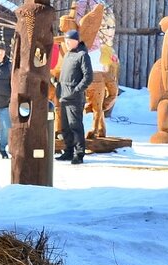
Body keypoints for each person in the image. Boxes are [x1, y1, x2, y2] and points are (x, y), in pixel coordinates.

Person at [56, 30, 94, 164]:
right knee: (65, 127)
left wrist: (76, 90)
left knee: (75, 126)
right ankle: (68, 151)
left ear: (76, 41)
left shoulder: (82, 55)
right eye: (65, 41)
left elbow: (88, 77)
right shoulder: (67, 54)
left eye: (69, 41)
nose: (66, 43)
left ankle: (79, 153)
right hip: (63, 96)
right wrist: (58, 85)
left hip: (75, 98)